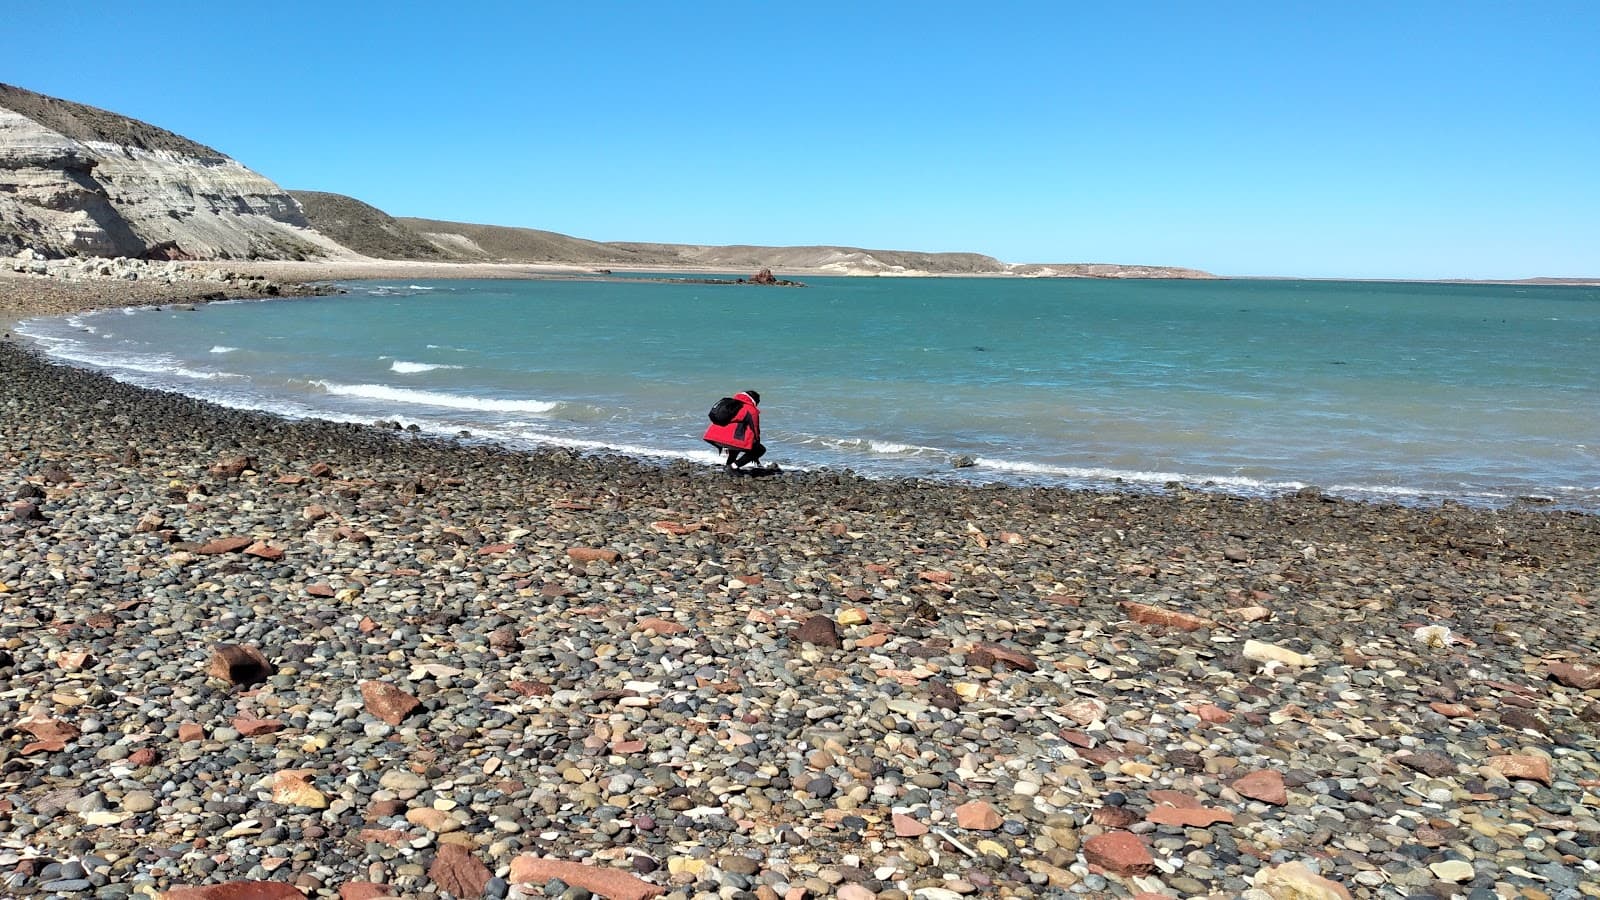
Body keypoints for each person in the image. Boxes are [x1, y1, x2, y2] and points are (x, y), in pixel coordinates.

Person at [703, 390, 767, 470]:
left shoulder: (731, 405)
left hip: (712, 436)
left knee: (735, 443)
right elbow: (755, 429)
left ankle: (729, 464)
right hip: (728, 440)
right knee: (760, 450)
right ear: (755, 400)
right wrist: (755, 449)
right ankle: (733, 466)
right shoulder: (750, 409)